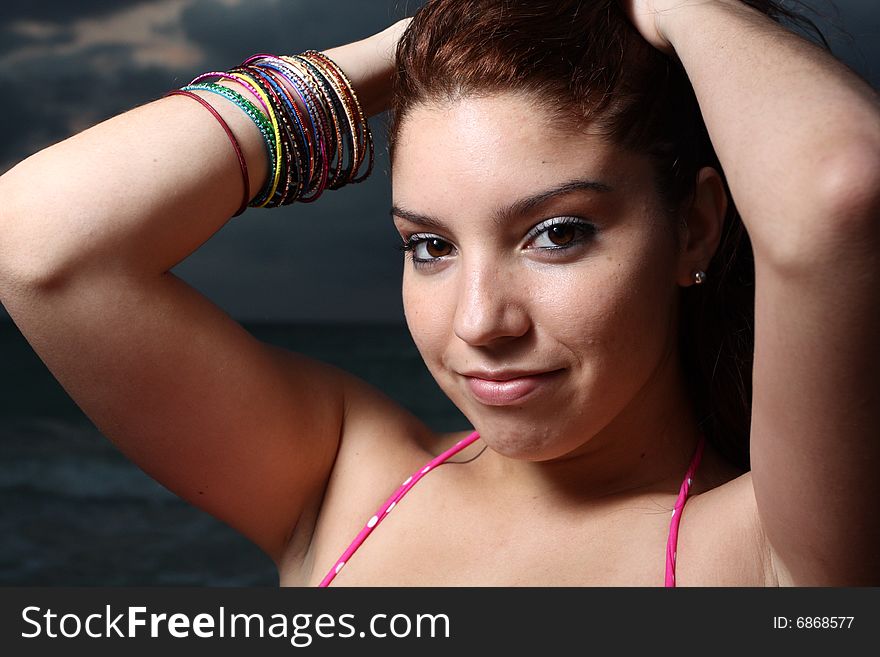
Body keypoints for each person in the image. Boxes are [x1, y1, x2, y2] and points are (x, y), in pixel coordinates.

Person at [0, 0, 877, 587]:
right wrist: (418, 39)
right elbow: (39, 242)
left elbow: (841, 190)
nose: (479, 321)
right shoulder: (342, 483)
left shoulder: (774, 555)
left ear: (694, 227)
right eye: (430, 245)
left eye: (558, 232)